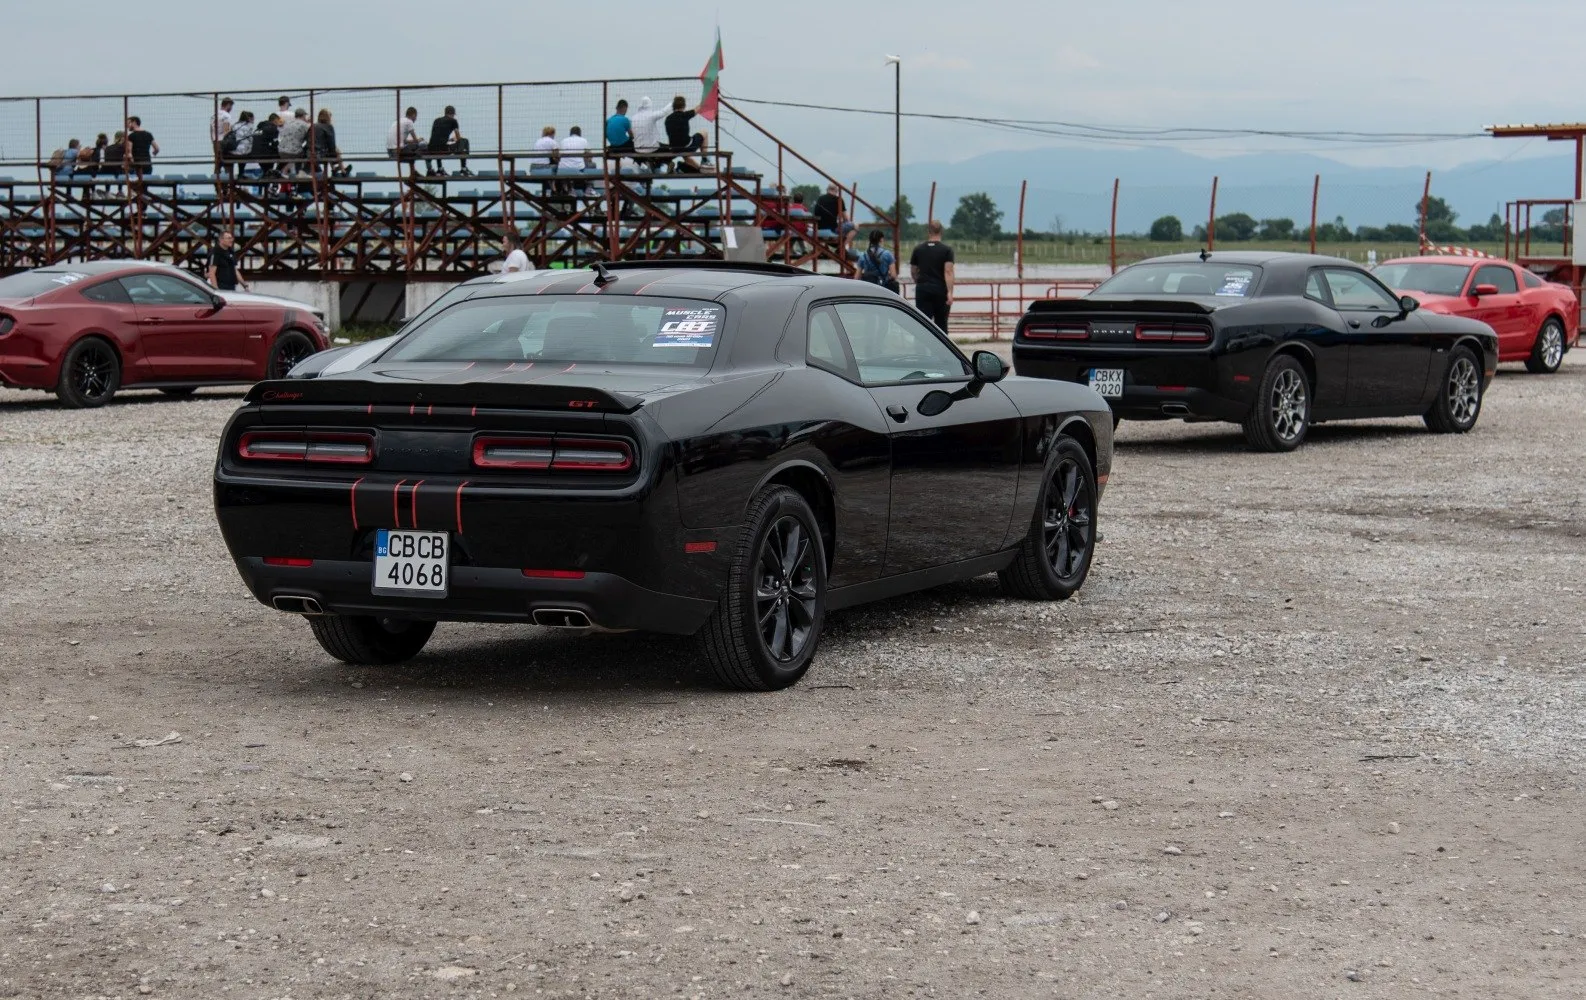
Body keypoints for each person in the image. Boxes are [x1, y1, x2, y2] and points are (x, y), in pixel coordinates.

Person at [909, 220, 956, 332]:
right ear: (941, 231)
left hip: (923, 289)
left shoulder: (918, 249)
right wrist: (950, 292)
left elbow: (913, 270)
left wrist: (918, 281)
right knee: (941, 324)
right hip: (940, 290)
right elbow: (948, 271)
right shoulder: (947, 250)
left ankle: (920, 343)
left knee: (923, 324)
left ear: (928, 232)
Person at [426, 105, 472, 177]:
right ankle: (463, 168)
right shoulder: (453, 121)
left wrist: (450, 140)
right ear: (453, 114)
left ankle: (440, 168)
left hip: (431, 149)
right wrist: (456, 139)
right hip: (443, 150)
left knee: (437, 145)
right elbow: (458, 137)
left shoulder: (436, 120)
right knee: (465, 141)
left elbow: (438, 137)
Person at [813, 183, 856, 256]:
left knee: (828, 224)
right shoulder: (839, 200)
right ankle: (841, 248)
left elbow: (816, 214)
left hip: (819, 230)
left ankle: (826, 247)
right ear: (836, 190)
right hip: (833, 230)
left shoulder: (820, 199)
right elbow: (846, 219)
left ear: (827, 190)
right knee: (855, 227)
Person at [662, 95, 704, 170]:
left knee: (686, 156)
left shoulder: (667, 119)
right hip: (686, 146)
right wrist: (704, 101)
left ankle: (700, 169)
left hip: (674, 149)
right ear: (684, 106)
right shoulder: (685, 115)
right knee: (704, 133)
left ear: (673, 106)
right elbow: (698, 109)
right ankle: (705, 160)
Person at [312, 108, 347, 176]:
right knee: (335, 150)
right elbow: (331, 144)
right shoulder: (328, 127)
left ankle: (334, 169)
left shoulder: (314, 126)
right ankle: (343, 171)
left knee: (330, 150)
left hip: (310, 152)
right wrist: (335, 155)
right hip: (320, 153)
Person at [279, 107, 310, 175]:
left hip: (281, 151)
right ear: (303, 116)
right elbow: (309, 139)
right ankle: (298, 173)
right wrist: (308, 123)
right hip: (293, 153)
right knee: (304, 154)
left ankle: (284, 171)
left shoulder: (288, 123)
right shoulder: (305, 125)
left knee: (295, 153)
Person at [211, 97, 235, 164]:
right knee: (228, 164)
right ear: (228, 105)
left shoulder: (214, 115)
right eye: (231, 106)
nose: (231, 108)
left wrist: (213, 141)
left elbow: (211, 130)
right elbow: (226, 130)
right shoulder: (226, 116)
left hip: (215, 141)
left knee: (217, 163)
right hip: (223, 142)